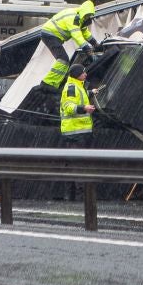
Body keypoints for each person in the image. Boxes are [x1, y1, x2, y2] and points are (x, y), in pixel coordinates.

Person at [39, 0, 97, 91]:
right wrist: (88, 50)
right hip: (50, 34)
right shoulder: (73, 17)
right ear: (83, 13)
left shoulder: (80, 18)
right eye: (86, 16)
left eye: (89, 16)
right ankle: (47, 83)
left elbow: (85, 33)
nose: (87, 18)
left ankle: (54, 83)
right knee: (63, 60)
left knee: (64, 60)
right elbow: (77, 35)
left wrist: (95, 43)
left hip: (52, 35)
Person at [58, 62, 96, 200]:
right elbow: (69, 106)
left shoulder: (77, 86)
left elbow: (81, 95)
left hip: (77, 132)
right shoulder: (72, 87)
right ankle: (81, 197)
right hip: (75, 133)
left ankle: (70, 196)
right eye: (83, 72)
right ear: (77, 75)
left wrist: (91, 92)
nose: (85, 74)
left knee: (73, 164)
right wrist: (84, 108)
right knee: (79, 165)